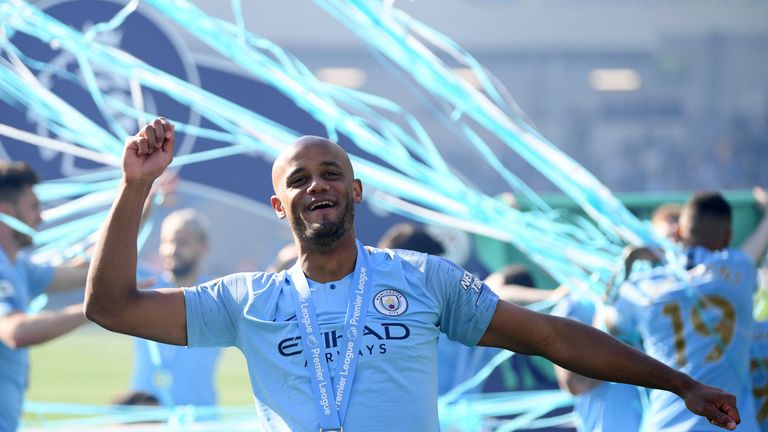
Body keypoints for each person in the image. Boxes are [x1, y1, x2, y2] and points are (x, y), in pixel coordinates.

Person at [85, 117, 742, 431]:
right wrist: (135, 189)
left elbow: (551, 337)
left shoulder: (425, 279)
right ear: (280, 206)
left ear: (356, 192)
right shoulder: (246, 299)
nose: (318, 184)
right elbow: (111, 306)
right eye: (299, 180)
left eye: (331, 173)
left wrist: (679, 383)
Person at [608, 191, 758, 431]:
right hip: (734, 425)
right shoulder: (741, 268)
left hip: (666, 425)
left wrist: (627, 264)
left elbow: (608, 324)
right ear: (728, 236)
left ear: (678, 233)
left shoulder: (642, 285)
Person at [0, 161, 91, 431]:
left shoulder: (19, 266)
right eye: (33, 207)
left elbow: (84, 272)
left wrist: (140, 199)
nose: (40, 217)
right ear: (6, 211)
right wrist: (95, 309)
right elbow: (16, 331)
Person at [130, 208, 222, 408]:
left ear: (204, 246)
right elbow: (112, 253)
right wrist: (143, 208)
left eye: (182, 242)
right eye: (167, 242)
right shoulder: (145, 284)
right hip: (144, 415)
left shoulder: (218, 293)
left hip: (199, 418)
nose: (172, 250)